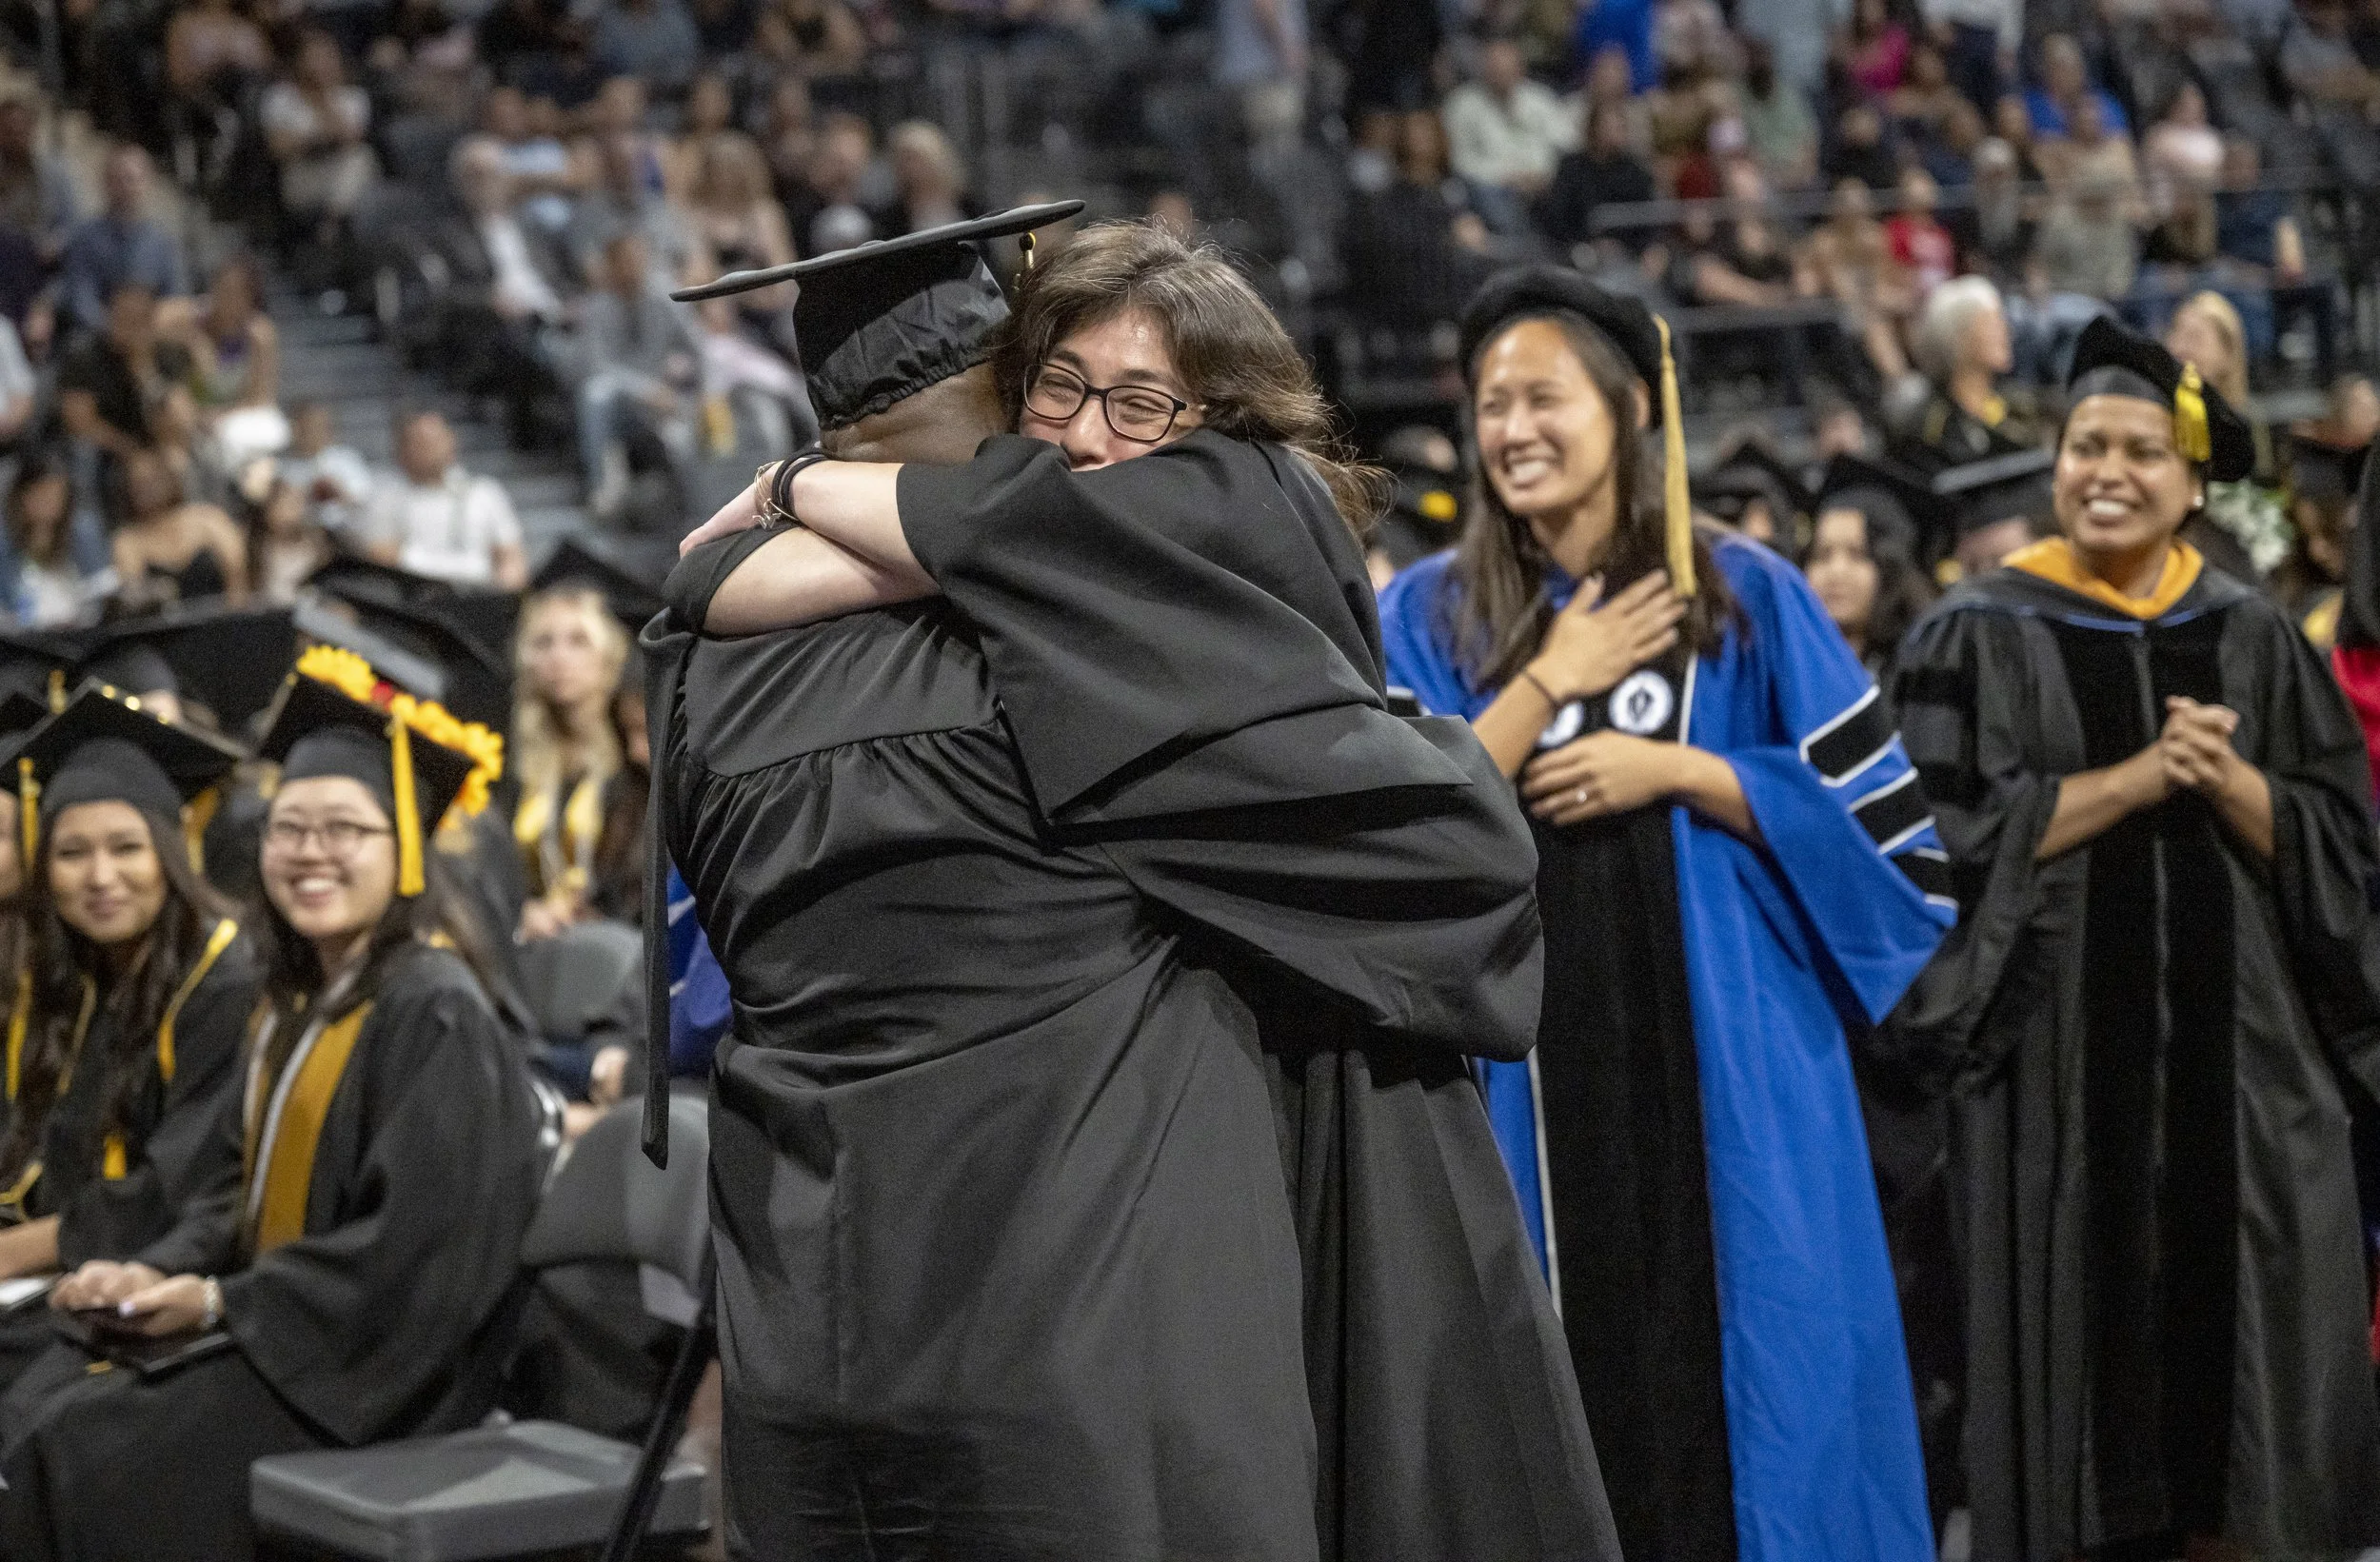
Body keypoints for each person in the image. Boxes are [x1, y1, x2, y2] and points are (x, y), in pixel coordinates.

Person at [659, 211, 1618, 1560]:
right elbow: (1454, 855)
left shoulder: (714, 668)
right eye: (1058, 392)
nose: (1094, 445)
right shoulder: (1082, 640)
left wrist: (779, 497)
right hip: (1087, 1346)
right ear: (1003, 397)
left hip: (807, 1344)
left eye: (1142, 407)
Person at [1374, 266, 1952, 1562]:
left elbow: (1894, 850)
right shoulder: (1424, 615)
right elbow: (1391, 841)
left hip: (1735, 1087)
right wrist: (1555, 678)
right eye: (1490, 404)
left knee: (1765, 1404)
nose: (1512, 428)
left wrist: (1699, 773)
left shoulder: (1742, 597)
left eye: (1544, 397)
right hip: (1521, 1091)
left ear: (1631, 407)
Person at [1887, 314, 2380, 1562]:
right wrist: (2128, 778)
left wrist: (2229, 786)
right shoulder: (1971, 632)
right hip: (2057, 1090)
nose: (2106, 470)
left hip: (2244, 1089)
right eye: (2085, 444)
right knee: (2085, 1445)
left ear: (2193, 479)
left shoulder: (2257, 635)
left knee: (2245, 1446)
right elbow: (1925, 857)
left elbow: (2341, 847)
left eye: (2140, 451)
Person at [0, 644, 534, 1562]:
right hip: (293, 1334)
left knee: (81, 1445)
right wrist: (151, 1272)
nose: (310, 853)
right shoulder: (304, 1007)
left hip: (375, 1371)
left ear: (403, 846)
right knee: (37, 1393)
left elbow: (412, 1259)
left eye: (345, 830)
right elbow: (232, 1196)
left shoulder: (434, 1009)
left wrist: (217, 1303)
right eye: (290, 828)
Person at [0, 685, 256, 1381]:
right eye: (72, 852)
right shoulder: (77, 974)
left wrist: (12, 1253)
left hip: (172, 1274)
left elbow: (180, 1186)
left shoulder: (223, 982)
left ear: (169, 852)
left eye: (126, 848)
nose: (100, 876)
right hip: (71, 1266)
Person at [510, 583, 629, 939]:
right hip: (537, 944)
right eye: (543, 642)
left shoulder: (636, 758)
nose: (558, 657)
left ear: (609, 657)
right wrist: (525, 910)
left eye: (579, 641)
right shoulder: (514, 763)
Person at [358, 409, 529, 590]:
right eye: (421, 443)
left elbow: (511, 556)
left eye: (435, 440)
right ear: (402, 450)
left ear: (452, 441)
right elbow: (380, 554)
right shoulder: (386, 497)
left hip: (478, 596)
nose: (430, 449)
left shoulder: (485, 493)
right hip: (412, 597)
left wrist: (506, 591)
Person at [53, 146, 186, 340]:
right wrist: (116, 331)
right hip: (100, 338)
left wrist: (145, 331)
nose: (126, 187)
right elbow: (81, 299)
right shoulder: (85, 238)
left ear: (147, 182)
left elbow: (176, 298)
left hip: (151, 339)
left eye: (133, 179)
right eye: (119, 179)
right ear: (106, 183)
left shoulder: (163, 243)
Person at [108, 446, 248, 610]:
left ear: (168, 479)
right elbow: (134, 594)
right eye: (138, 483)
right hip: (165, 630)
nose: (147, 489)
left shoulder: (208, 518)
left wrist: (235, 618)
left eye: (152, 480)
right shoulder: (128, 540)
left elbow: (238, 573)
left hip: (224, 618)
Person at [3, 457, 104, 628]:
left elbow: (102, 594)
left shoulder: (82, 532)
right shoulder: (4, 543)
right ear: (22, 496)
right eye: (42, 493)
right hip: (24, 642)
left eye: (57, 494)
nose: (51, 501)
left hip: (80, 634)